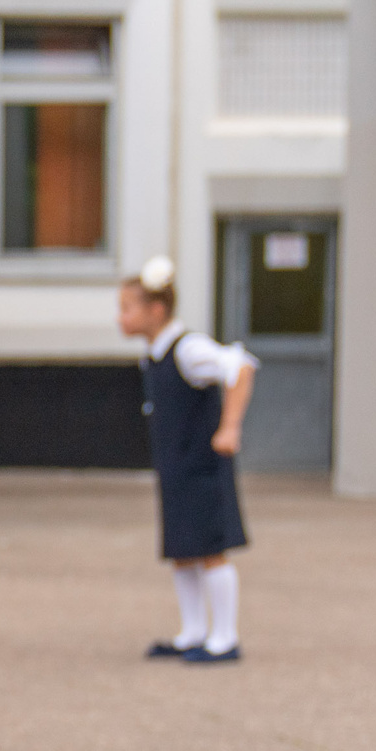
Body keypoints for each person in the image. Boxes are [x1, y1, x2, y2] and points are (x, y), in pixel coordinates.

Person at [119, 256, 258, 663]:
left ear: (156, 310)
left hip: (202, 466)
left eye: (127, 308)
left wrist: (229, 426)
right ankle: (193, 631)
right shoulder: (156, 354)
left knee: (212, 547)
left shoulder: (189, 349)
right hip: (177, 466)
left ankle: (224, 638)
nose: (120, 317)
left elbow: (241, 367)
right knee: (182, 547)